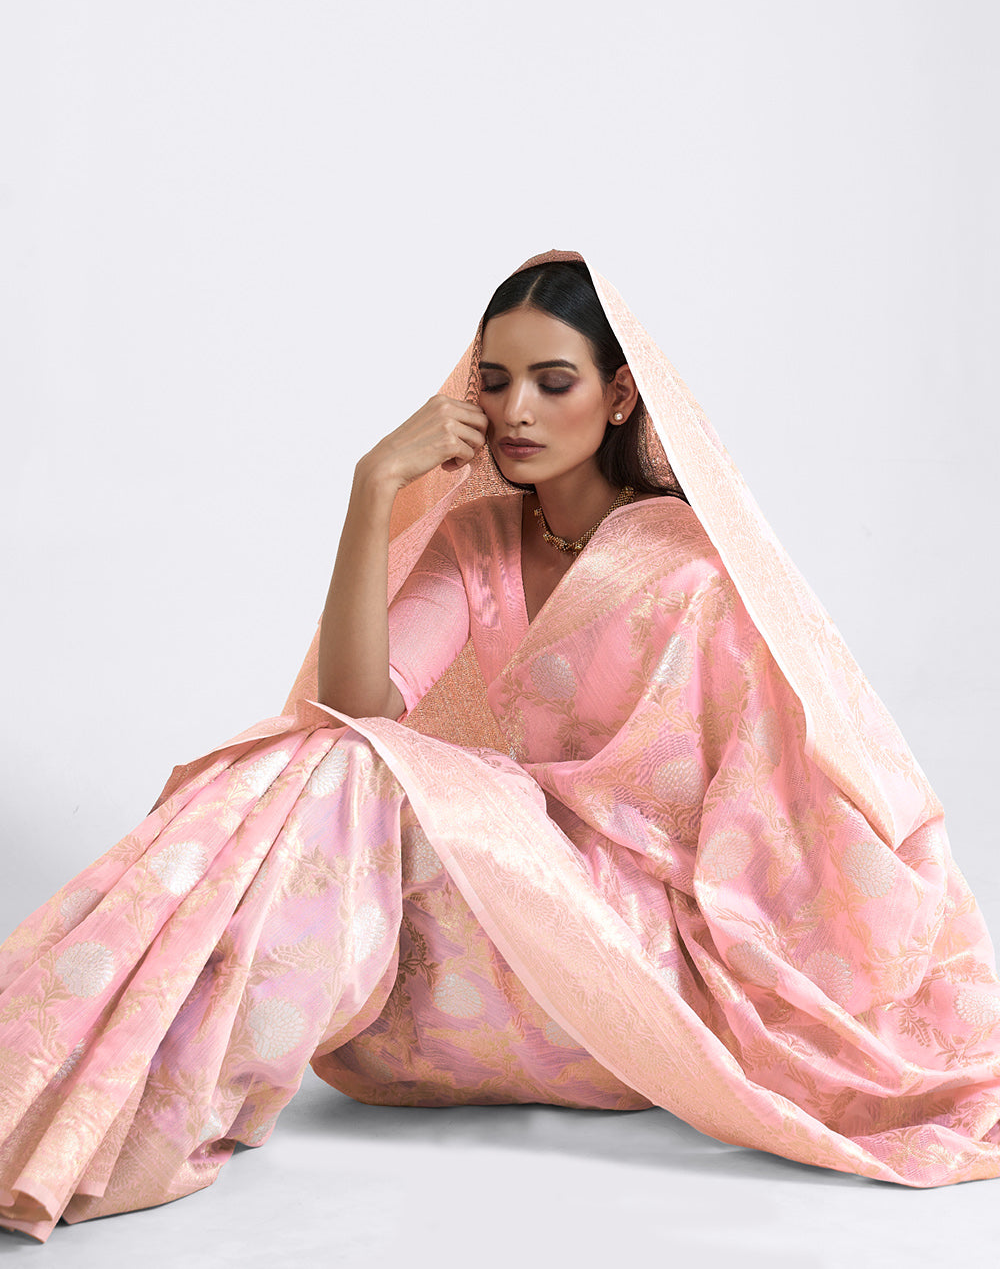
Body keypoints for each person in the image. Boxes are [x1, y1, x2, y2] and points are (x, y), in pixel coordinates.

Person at [2, 251, 999, 1242]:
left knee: (346, 770)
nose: (515, 410)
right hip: (485, 961)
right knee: (329, 762)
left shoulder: (694, 570)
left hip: (636, 975)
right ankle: (80, 1078)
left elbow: (778, 815)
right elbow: (350, 708)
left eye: (552, 382)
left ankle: (114, 1103)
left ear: (618, 397)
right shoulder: (476, 540)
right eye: (494, 380)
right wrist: (372, 487)